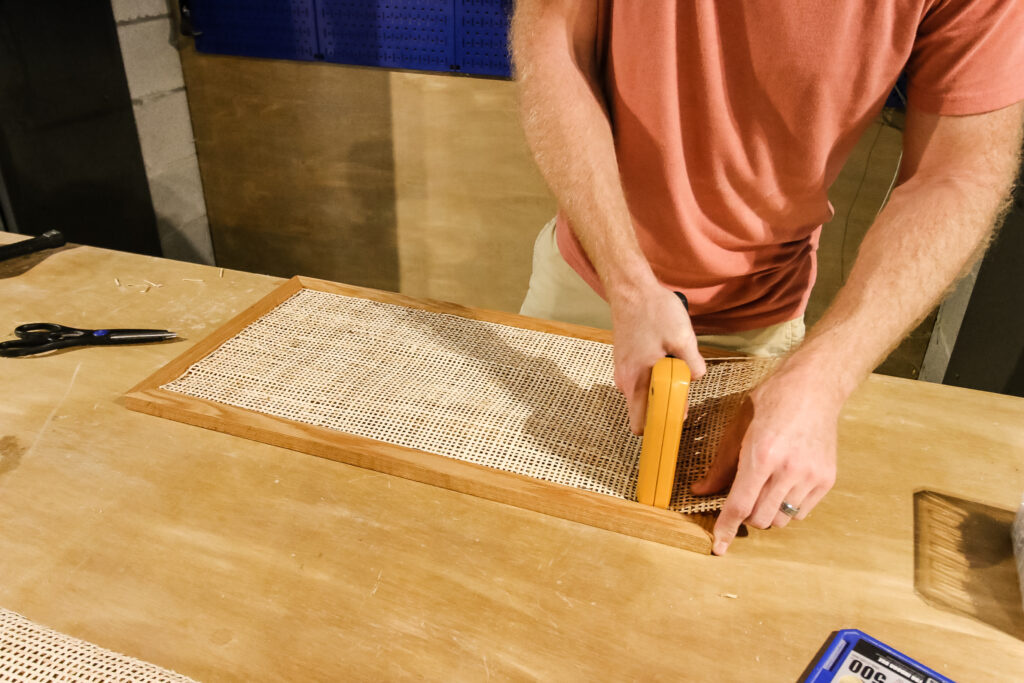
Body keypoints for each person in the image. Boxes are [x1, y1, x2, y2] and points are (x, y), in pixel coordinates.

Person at [511, 2, 1024, 555]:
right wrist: (629, 282)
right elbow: (554, 36)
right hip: (595, 282)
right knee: (533, 545)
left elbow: (957, 172)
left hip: (764, 314)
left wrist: (821, 379)